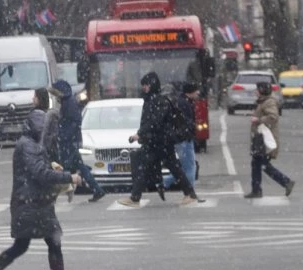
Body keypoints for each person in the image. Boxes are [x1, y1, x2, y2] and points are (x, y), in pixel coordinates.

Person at [0, 109, 84, 270]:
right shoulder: (28, 146)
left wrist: (52, 167)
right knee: (33, 245)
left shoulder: (30, 143)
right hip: (31, 205)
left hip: (34, 203)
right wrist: (68, 177)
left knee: (37, 244)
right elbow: (40, 174)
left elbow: (40, 170)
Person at [118, 72, 198, 207]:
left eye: (146, 84)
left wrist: (140, 134)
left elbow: (155, 122)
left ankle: (135, 198)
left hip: (160, 142)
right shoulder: (151, 100)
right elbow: (150, 122)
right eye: (143, 85)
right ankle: (189, 193)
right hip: (157, 142)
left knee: (155, 167)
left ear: (152, 85)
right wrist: (142, 134)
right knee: (170, 168)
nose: (144, 87)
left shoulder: (159, 101)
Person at [48, 80, 106, 203]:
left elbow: (74, 122)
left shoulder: (69, 103)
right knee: (79, 167)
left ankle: (55, 194)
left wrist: (63, 135)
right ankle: (96, 189)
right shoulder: (68, 102)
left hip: (69, 141)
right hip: (71, 141)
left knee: (63, 168)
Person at [244, 82, 295, 198]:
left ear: (262, 90)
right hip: (260, 139)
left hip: (265, 140)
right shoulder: (263, 101)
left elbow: (273, 117)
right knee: (257, 164)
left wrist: (258, 120)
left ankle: (285, 182)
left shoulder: (269, 102)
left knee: (263, 164)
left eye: (257, 89)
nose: (255, 92)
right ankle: (256, 190)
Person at [163, 83, 200, 191]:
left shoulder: (181, 102)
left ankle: (164, 182)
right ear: (191, 92)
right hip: (184, 139)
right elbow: (185, 122)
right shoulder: (184, 104)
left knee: (184, 168)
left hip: (181, 139)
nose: (198, 93)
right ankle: (190, 191)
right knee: (190, 167)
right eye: (196, 90)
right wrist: (190, 132)